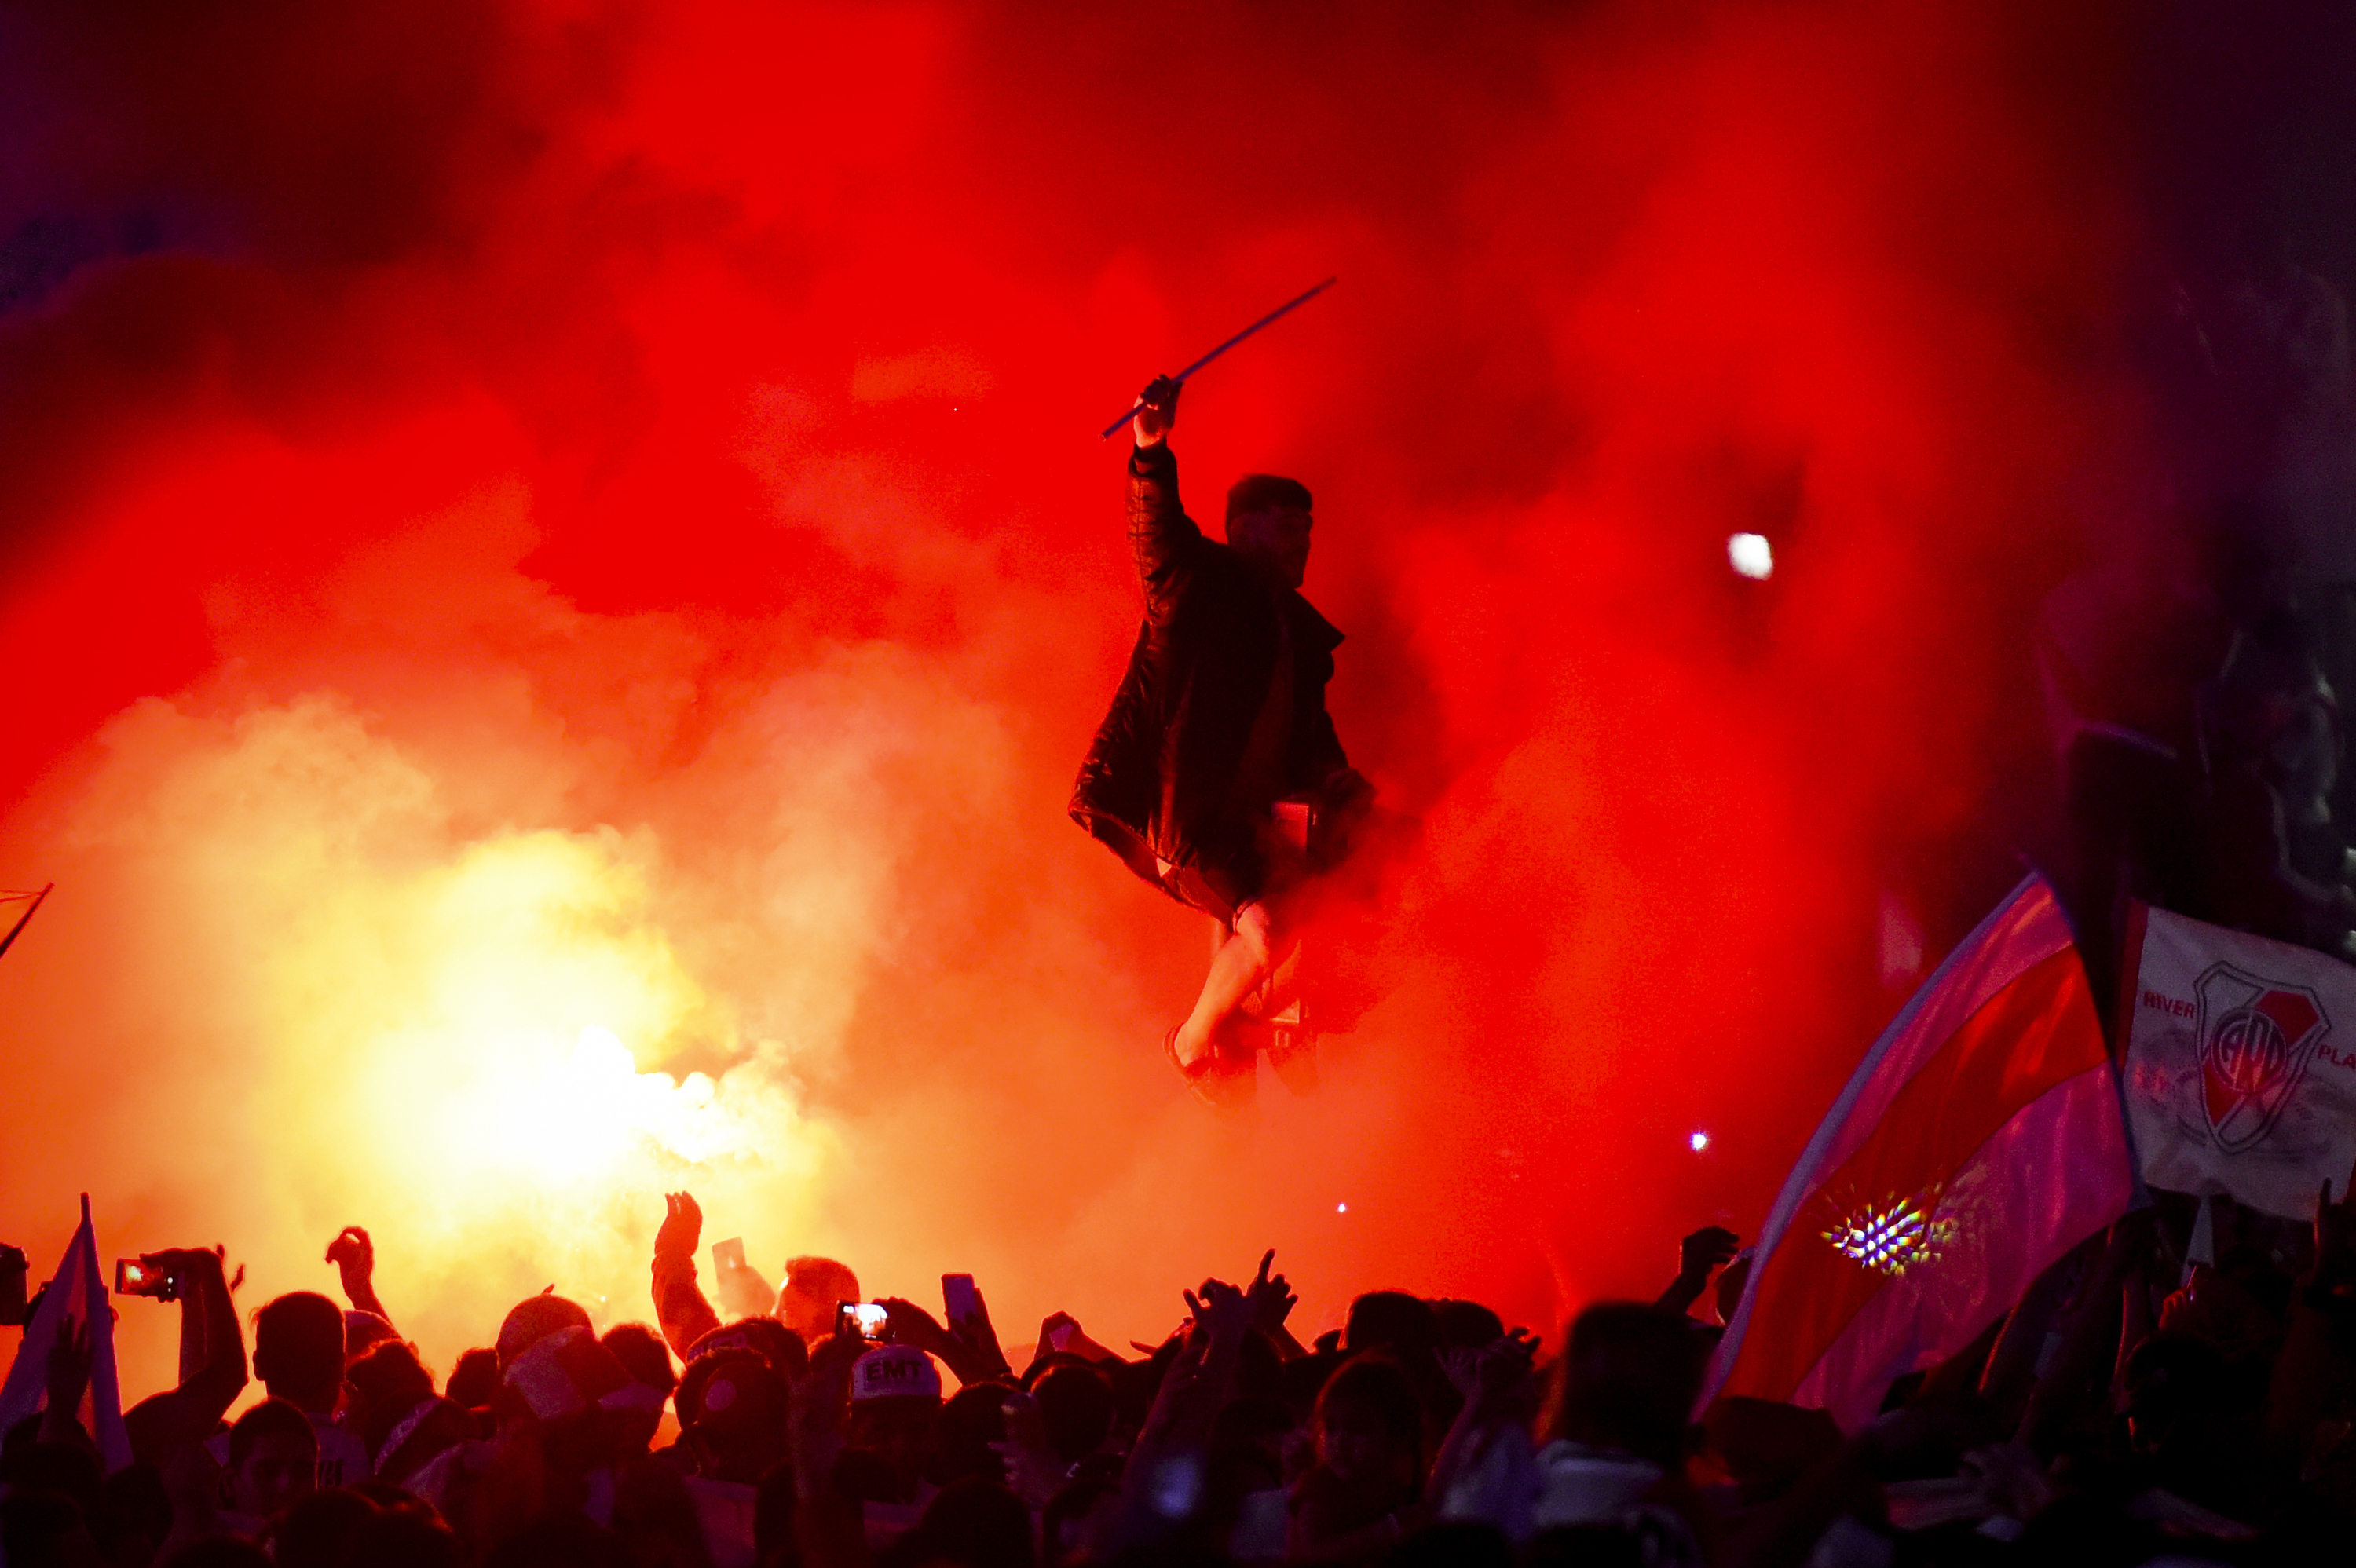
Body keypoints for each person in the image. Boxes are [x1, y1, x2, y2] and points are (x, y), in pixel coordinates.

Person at [1071, 375, 1379, 1106]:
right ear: (1247, 529)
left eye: (1308, 528)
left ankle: (1279, 1020)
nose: (1305, 541)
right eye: (1290, 526)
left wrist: (1342, 781)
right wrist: (1151, 447)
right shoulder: (1197, 582)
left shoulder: (1296, 633)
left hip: (1257, 818)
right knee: (1268, 928)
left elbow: (1311, 732)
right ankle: (1192, 1044)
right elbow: (1155, 529)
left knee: (1384, 864)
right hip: (1191, 815)